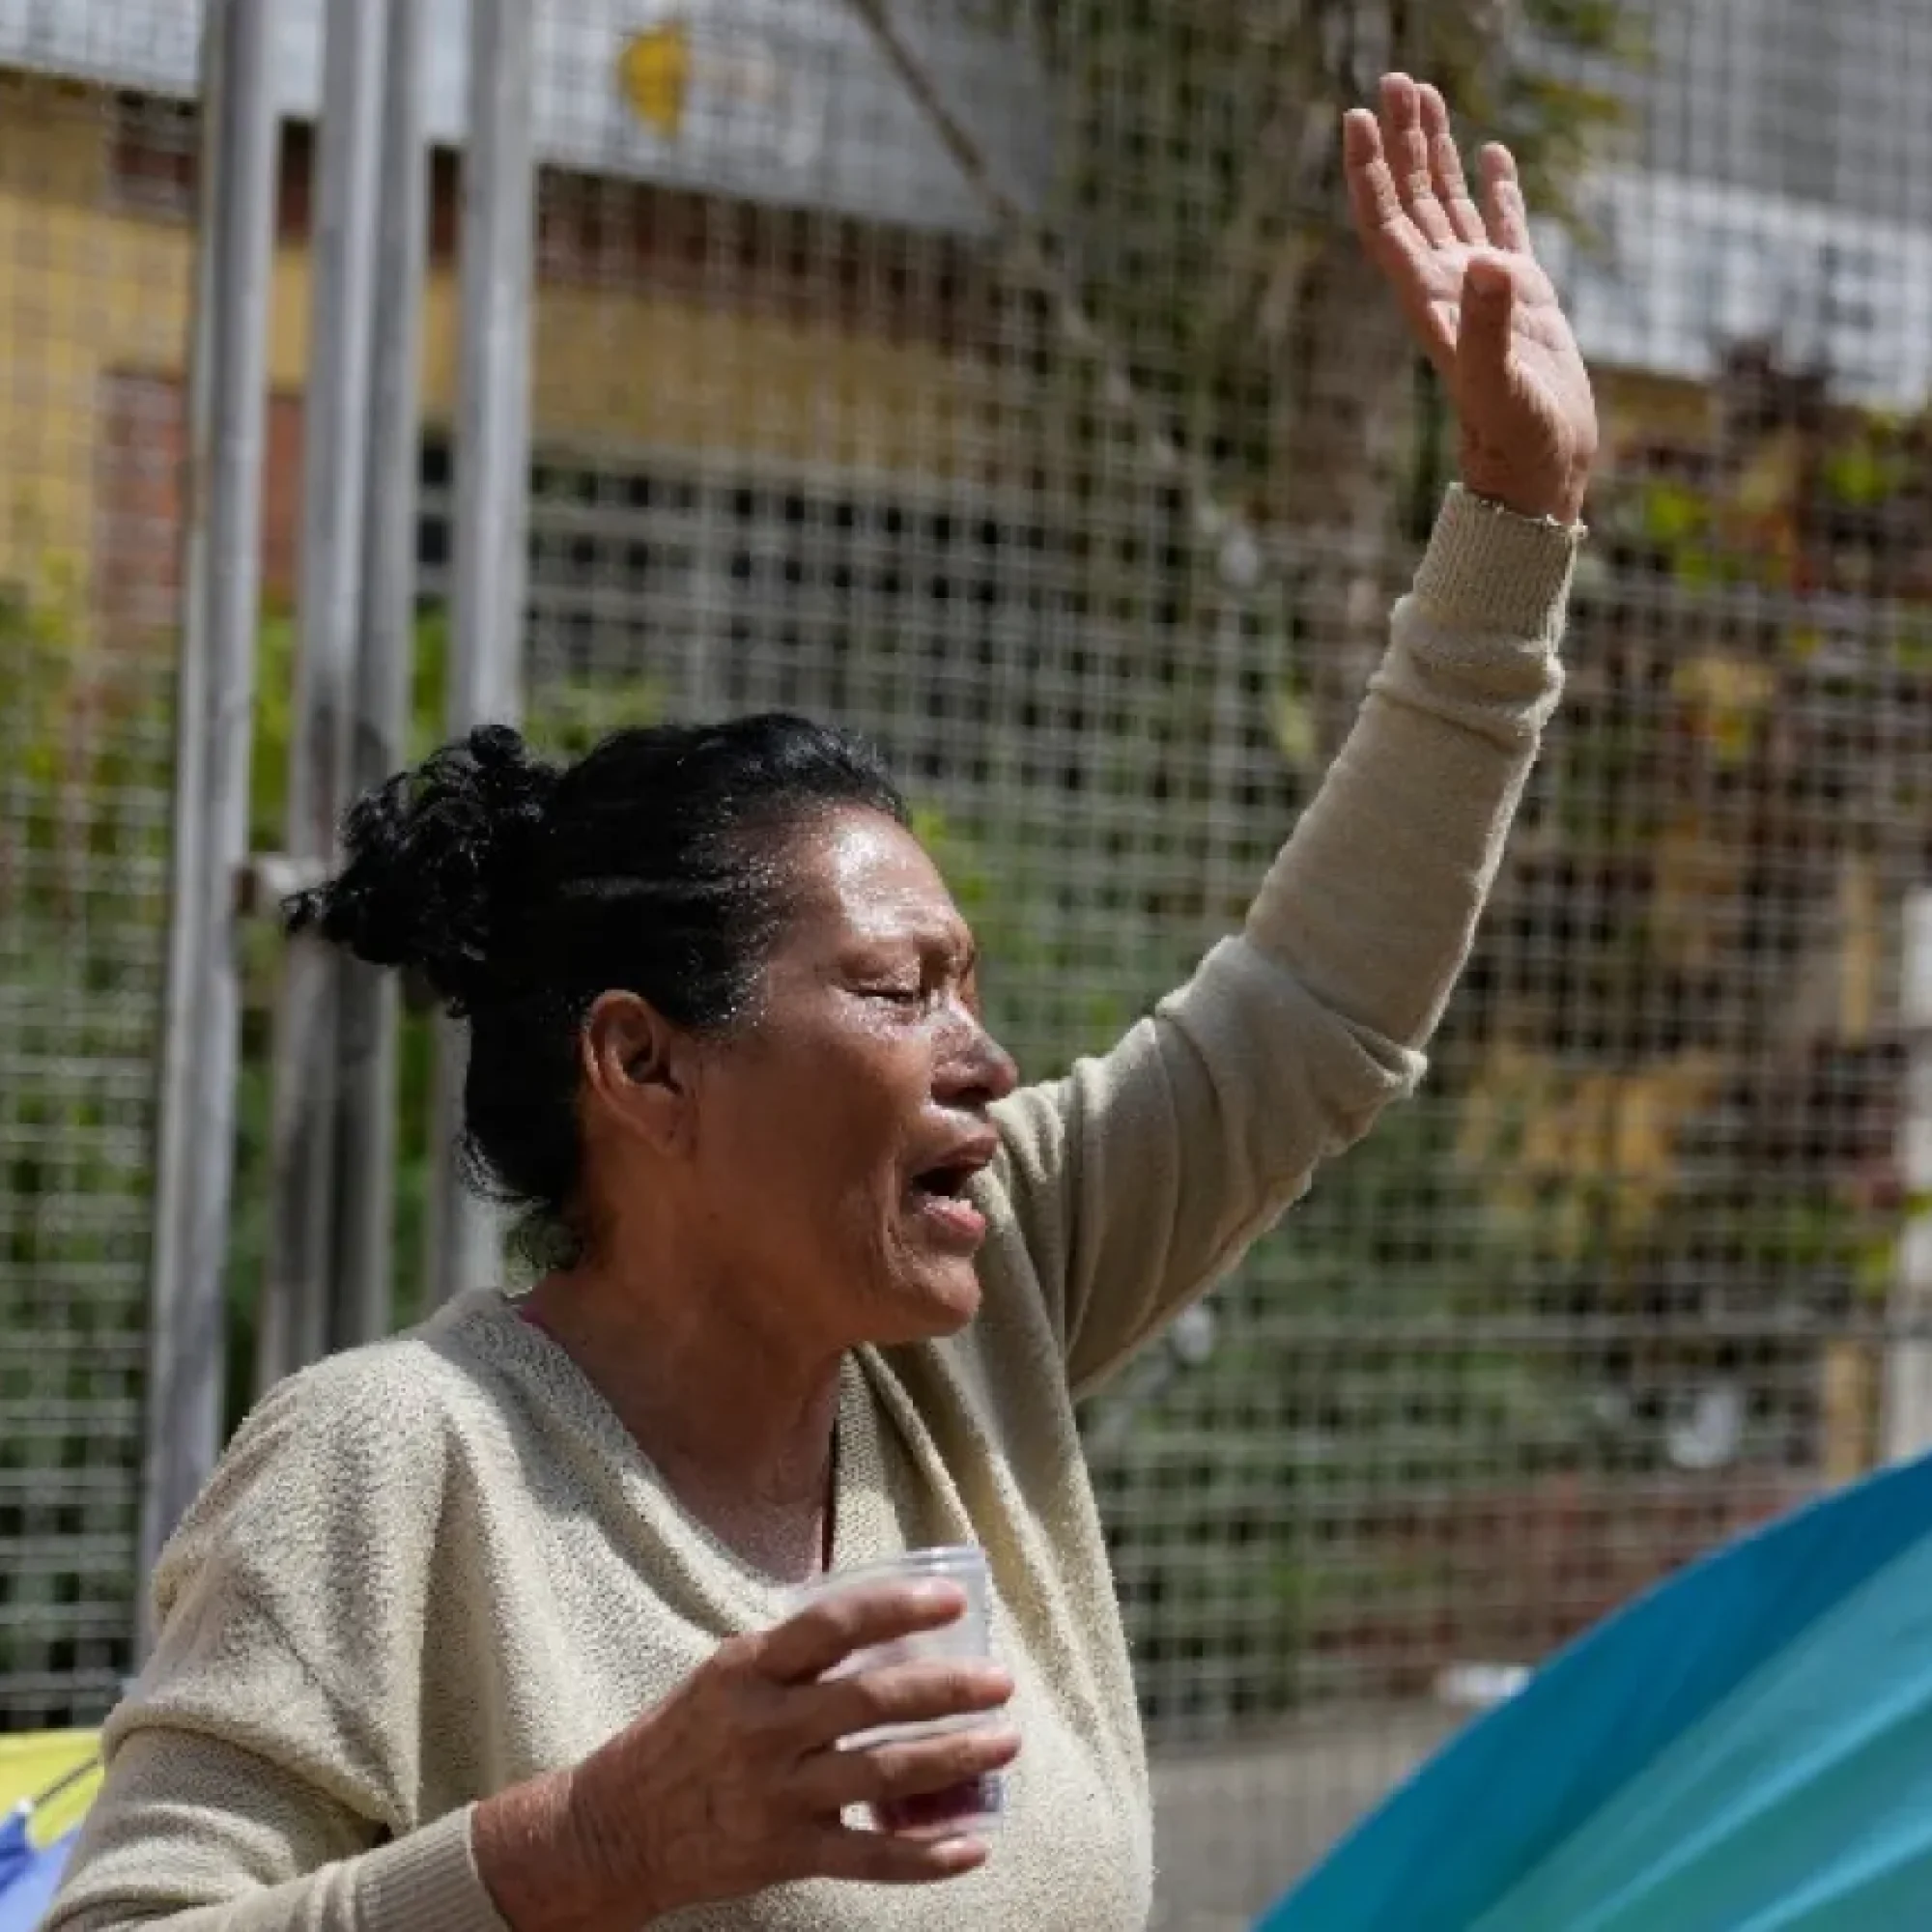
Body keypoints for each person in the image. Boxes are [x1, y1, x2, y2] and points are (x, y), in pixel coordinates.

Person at [48, 74, 1596, 1931]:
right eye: (897, 988)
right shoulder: (393, 1463)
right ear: (645, 1065)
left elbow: (1313, 1009)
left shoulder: (985, 1314)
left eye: (970, 990)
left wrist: (1518, 510)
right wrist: (599, 1842)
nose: (985, 1057)